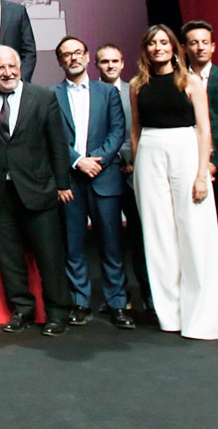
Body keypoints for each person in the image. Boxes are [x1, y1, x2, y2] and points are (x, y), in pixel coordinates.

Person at [0, 45, 72, 336]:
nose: (7, 72)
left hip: (39, 189)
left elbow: (58, 145)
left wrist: (62, 183)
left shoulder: (43, 97)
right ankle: (22, 309)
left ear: (20, 67)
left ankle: (57, 313)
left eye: (12, 66)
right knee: (9, 256)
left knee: (49, 256)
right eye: (0, 68)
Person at [130, 25, 218, 339]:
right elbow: (136, 131)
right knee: (158, 237)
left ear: (174, 47)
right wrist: (138, 162)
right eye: (152, 43)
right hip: (150, 154)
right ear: (146, 49)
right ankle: (171, 315)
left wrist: (201, 174)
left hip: (186, 151)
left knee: (196, 234)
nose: (158, 47)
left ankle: (201, 318)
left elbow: (203, 129)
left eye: (163, 42)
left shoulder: (191, 81)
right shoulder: (137, 84)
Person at [51, 37, 134, 329]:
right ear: (60, 61)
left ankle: (117, 303)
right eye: (66, 55)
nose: (72, 58)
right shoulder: (52, 95)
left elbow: (117, 130)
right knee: (73, 247)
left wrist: (96, 160)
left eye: (77, 53)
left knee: (111, 245)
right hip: (71, 181)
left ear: (87, 57)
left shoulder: (107, 92)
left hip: (104, 176)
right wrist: (77, 161)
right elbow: (55, 138)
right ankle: (80, 302)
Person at [96, 43, 152, 314]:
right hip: (103, 176)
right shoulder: (91, 94)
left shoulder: (136, 91)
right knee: (110, 241)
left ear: (122, 64)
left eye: (114, 61)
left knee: (141, 238)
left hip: (134, 175)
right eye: (104, 61)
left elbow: (141, 131)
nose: (110, 65)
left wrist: (132, 162)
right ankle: (119, 297)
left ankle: (150, 296)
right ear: (96, 65)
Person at [181, 20, 218, 260]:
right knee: (197, 240)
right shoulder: (176, 83)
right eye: (193, 43)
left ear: (213, 47)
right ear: (185, 48)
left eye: (205, 43)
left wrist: (214, 164)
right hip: (188, 169)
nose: (200, 48)